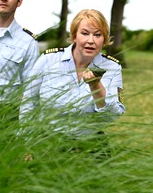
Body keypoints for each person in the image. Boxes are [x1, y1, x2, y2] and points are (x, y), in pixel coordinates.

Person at [19, 9, 125, 155]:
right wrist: (27, 144)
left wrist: (96, 87)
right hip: (48, 142)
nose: (91, 40)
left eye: (97, 35)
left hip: (91, 146)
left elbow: (111, 116)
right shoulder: (48, 60)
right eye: (85, 33)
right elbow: (29, 104)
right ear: (75, 35)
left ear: (104, 39)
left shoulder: (112, 67)